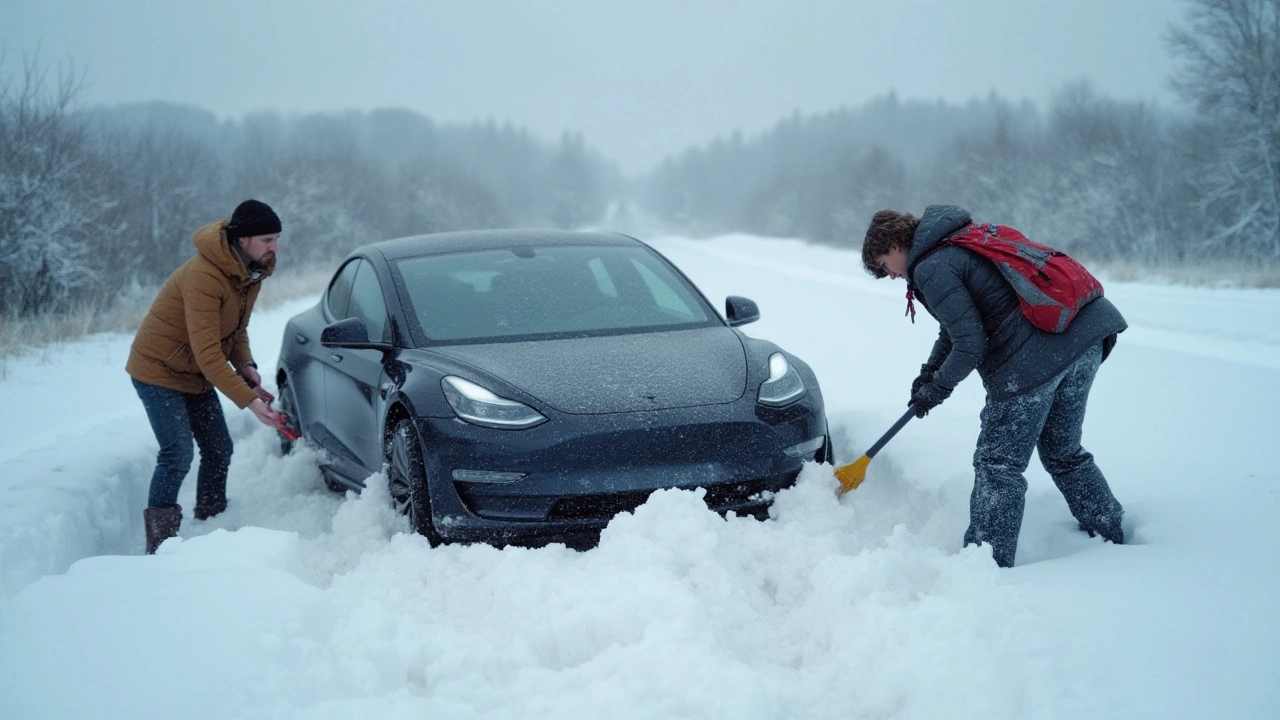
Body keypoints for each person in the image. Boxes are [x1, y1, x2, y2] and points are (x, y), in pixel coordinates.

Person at [861, 205, 1127, 567]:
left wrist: (938, 388)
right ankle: (1110, 529)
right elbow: (954, 328)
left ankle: (984, 565)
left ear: (894, 245)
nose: (890, 276)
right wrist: (929, 374)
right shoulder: (955, 242)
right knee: (1063, 450)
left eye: (883, 266)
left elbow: (971, 343)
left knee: (997, 465)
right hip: (1084, 339)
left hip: (1034, 360)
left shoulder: (932, 266)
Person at [126, 199, 289, 554]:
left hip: (195, 370)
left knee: (219, 448)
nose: (274, 247)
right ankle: (160, 547)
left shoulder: (253, 271)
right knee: (177, 453)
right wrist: (249, 402)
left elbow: (236, 330)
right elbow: (208, 353)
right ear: (242, 239)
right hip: (159, 370)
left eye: (276, 238)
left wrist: (246, 365)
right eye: (267, 239)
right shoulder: (204, 276)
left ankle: (211, 520)